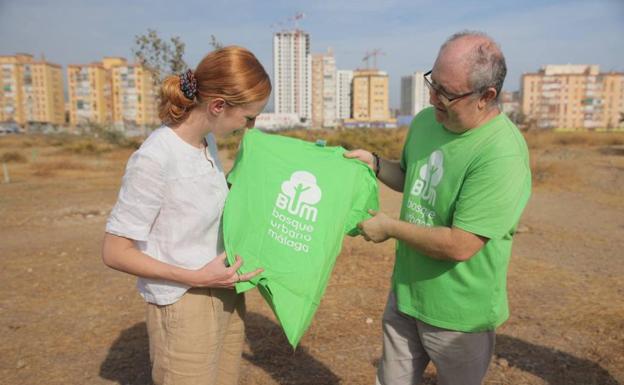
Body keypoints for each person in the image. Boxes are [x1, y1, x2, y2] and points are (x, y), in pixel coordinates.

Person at [345, 31, 532, 385]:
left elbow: (461, 244)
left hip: (460, 315)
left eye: (446, 93)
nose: (433, 98)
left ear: (486, 96)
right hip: (406, 295)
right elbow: (410, 177)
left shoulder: (501, 154)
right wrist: (373, 162)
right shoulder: (426, 122)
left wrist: (389, 228)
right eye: (432, 83)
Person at [102, 46, 270, 385]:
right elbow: (114, 252)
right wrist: (197, 277)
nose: (250, 126)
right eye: (248, 117)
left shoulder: (206, 141)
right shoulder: (155, 157)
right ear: (218, 106)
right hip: (184, 302)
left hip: (225, 290)